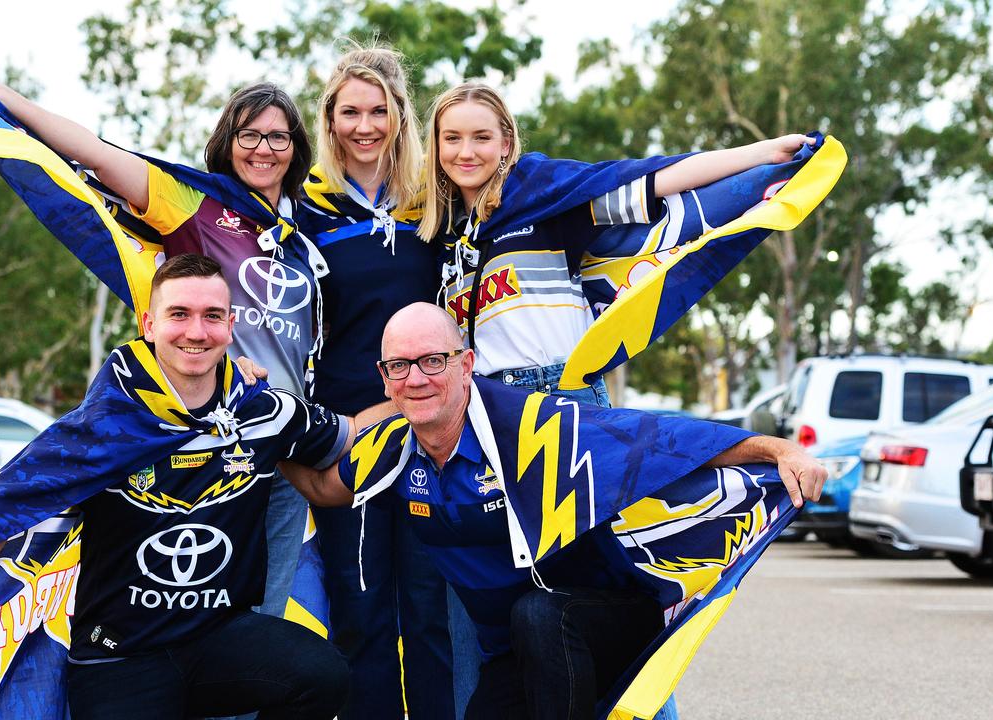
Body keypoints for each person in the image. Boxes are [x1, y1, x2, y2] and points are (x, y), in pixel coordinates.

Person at [282, 301, 827, 720]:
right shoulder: (390, 449)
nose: (417, 378)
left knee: (538, 613)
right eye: (400, 366)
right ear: (384, 378)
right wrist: (261, 429)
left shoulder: (534, 426)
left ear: (467, 364)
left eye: (433, 360)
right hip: (516, 651)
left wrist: (778, 450)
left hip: (606, 619)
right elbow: (327, 488)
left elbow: (664, 443)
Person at [0, 253, 353, 719]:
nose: (197, 332)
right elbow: (7, 503)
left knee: (322, 676)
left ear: (231, 324)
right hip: (119, 654)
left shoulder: (265, 412)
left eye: (212, 316)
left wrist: (417, 404)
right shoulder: (102, 425)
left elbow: (349, 439)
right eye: (179, 314)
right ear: (148, 323)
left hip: (219, 640)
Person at [0, 77, 321, 621]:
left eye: (278, 137)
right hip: (211, 451)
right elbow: (97, 154)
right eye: (249, 135)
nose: (263, 149)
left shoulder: (304, 231)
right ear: (227, 141)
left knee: (265, 624)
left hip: (282, 448)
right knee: (198, 619)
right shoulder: (191, 202)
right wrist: (8, 99)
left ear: (296, 148)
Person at [417, 82, 815, 406]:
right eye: (452, 138)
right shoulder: (441, 234)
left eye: (481, 137)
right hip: (484, 405)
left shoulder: (547, 198)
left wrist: (761, 153)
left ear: (505, 143)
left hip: (562, 395)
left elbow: (655, 179)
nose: (465, 152)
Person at [295, 45, 473, 719]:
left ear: (400, 117)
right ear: (330, 119)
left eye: (378, 111)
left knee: (429, 611)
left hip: (433, 431)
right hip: (350, 433)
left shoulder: (435, 201)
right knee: (363, 612)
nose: (363, 126)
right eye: (349, 112)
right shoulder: (303, 208)